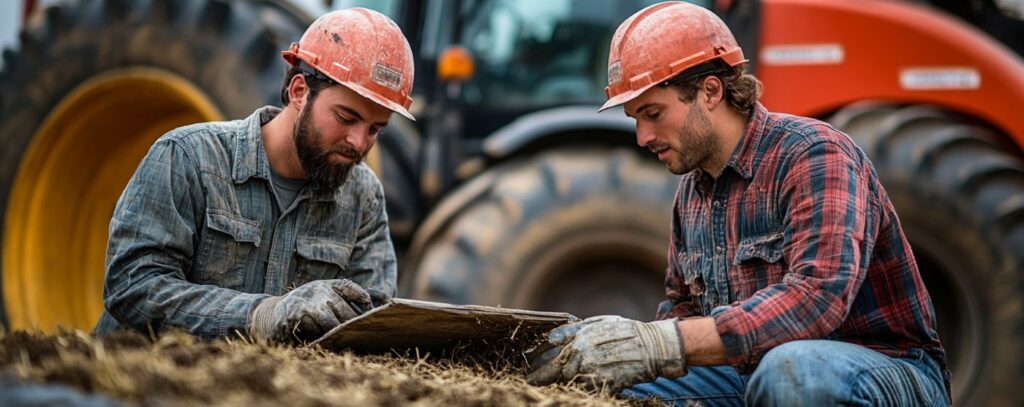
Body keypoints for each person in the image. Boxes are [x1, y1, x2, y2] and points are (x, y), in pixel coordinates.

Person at [526, 2, 950, 405]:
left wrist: (663, 343)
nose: (642, 137)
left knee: (793, 372)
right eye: (635, 119)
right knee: (614, 386)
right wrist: (621, 350)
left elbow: (818, 298)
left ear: (710, 91)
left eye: (653, 113)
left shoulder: (815, 155)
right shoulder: (692, 193)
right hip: (751, 371)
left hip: (886, 369)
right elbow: (684, 310)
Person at [93, 8, 415, 344]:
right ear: (299, 92)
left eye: (376, 129)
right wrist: (262, 315)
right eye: (347, 118)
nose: (359, 142)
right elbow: (132, 287)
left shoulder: (362, 196)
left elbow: (374, 321)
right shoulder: (188, 157)